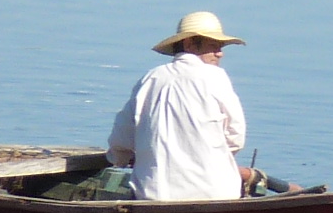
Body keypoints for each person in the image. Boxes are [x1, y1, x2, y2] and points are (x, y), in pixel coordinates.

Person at [106, 11, 259, 202]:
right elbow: (235, 138)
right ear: (189, 44)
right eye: (213, 46)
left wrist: (122, 158)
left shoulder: (151, 78)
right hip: (216, 194)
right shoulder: (215, 77)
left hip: (155, 196)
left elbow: (121, 137)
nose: (220, 53)